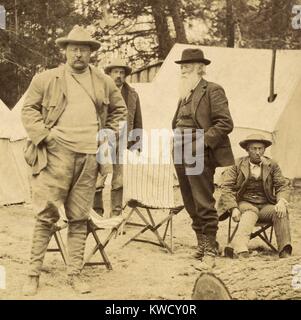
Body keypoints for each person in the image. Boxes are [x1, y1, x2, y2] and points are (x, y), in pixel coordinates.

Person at [21, 25, 127, 295]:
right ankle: (32, 275)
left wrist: (105, 135)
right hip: (55, 156)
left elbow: (120, 111)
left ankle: (75, 274)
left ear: (91, 53)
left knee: (79, 219)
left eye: (84, 49)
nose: (79, 54)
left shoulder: (103, 80)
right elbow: (29, 109)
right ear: (65, 51)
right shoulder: (46, 79)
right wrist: (45, 136)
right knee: (46, 216)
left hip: (89, 158)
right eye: (74, 48)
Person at [172, 48, 234, 267]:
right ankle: (202, 244)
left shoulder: (213, 90)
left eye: (186, 67)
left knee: (202, 199)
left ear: (200, 68)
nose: (182, 70)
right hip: (180, 150)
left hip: (199, 151)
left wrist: (201, 143)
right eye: (181, 67)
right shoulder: (185, 93)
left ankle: (210, 250)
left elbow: (225, 123)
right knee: (189, 200)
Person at [218, 134, 292, 259]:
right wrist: (233, 208)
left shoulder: (272, 165)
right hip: (244, 203)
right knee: (250, 211)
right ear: (247, 150)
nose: (258, 152)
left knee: (280, 211)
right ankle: (240, 249)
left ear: (264, 150)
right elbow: (226, 188)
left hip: (265, 205)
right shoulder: (236, 164)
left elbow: (282, 186)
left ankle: (284, 249)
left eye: (260, 149)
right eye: (254, 149)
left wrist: (281, 201)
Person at [93, 57, 143, 217]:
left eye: (122, 72)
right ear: (109, 73)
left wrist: (137, 144)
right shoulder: (100, 90)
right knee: (98, 177)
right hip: (103, 139)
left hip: (123, 140)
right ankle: (97, 212)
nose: (119, 76)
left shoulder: (132, 94)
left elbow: (137, 120)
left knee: (119, 179)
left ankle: (116, 214)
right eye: (115, 72)